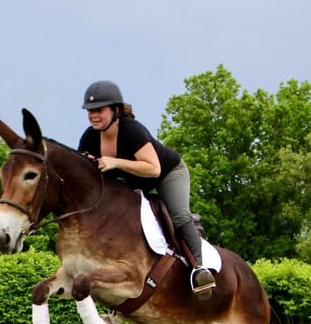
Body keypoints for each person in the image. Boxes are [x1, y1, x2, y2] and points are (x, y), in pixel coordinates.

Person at [78, 80, 216, 299]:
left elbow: (153, 169)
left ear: (115, 110)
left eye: (99, 110)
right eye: (90, 111)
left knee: (179, 216)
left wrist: (115, 162)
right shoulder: (89, 137)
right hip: (134, 184)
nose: (93, 115)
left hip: (166, 175)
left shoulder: (132, 131)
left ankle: (200, 270)